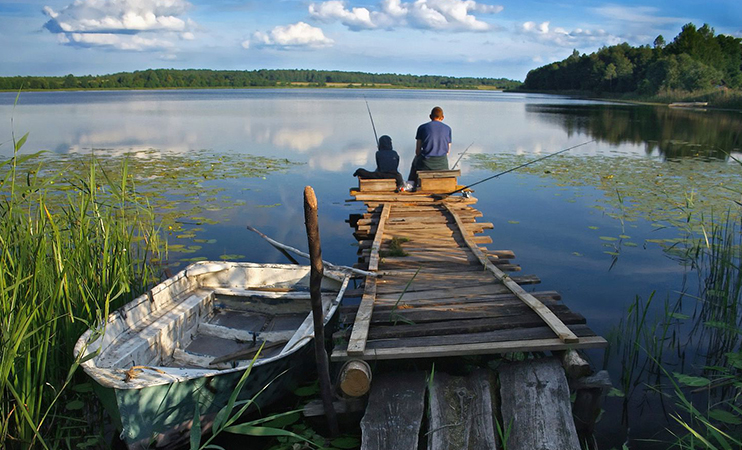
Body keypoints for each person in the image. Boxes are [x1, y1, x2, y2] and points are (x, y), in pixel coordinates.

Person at [407, 106, 451, 189]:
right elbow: (448, 151)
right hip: (442, 164)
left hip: (426, 163)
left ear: (430, 116)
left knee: (415, 161)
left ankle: (411, 185)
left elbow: (417, 151)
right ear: (442, 117)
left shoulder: (422, 128)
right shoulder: (448, 129)